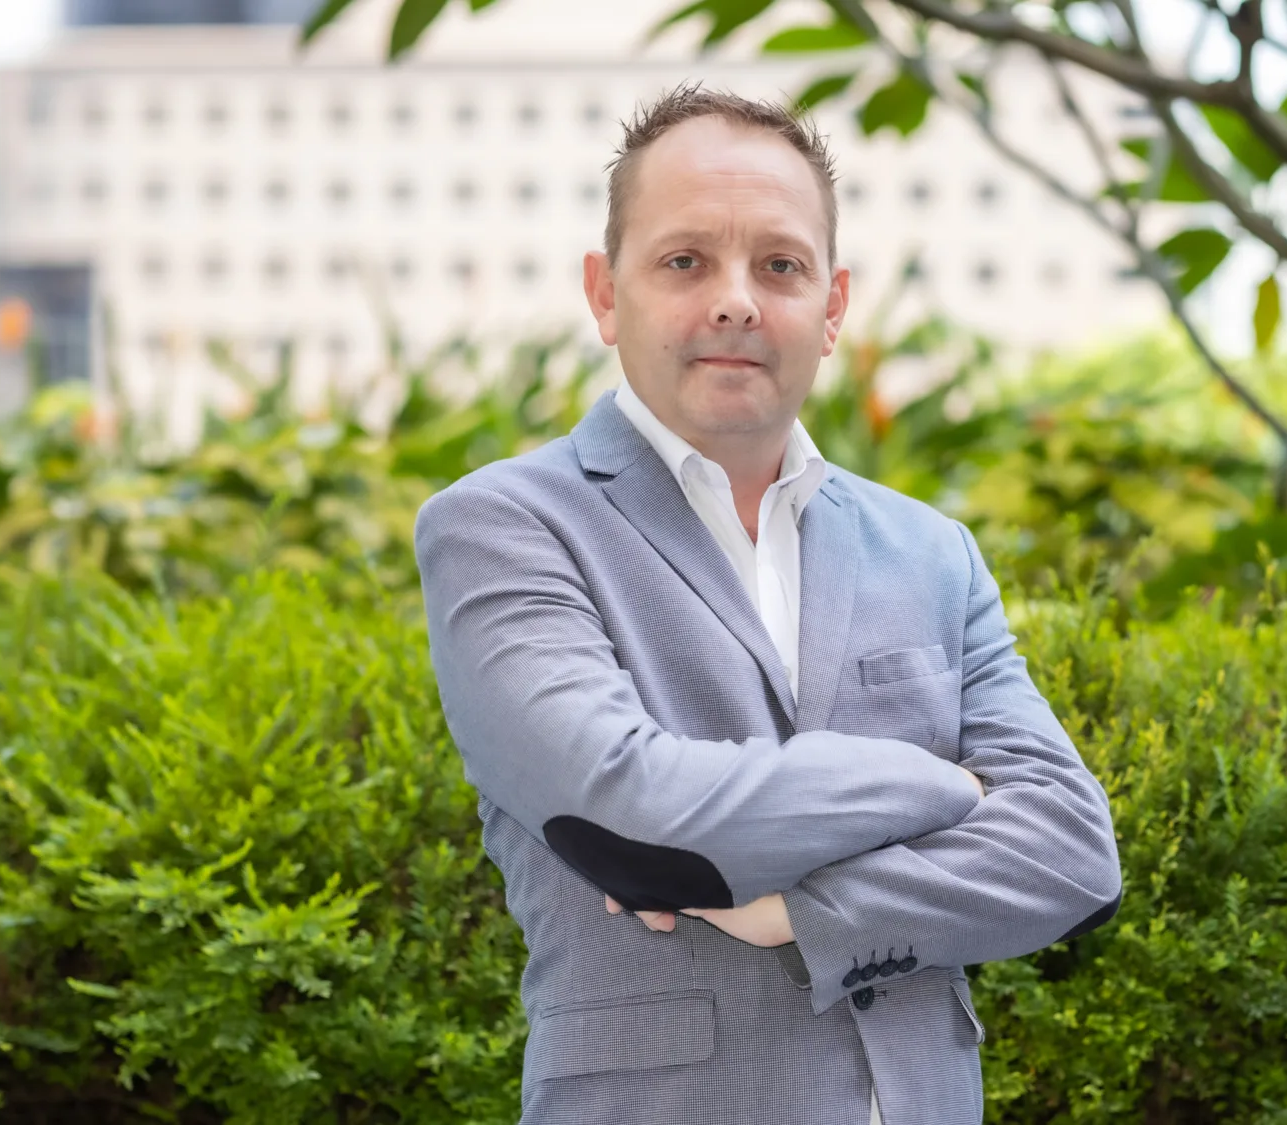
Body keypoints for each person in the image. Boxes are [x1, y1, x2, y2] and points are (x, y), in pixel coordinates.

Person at [413, 81, 1122, 1125]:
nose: (736, 299)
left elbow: (1068, 851)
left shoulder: (932, 553)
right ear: (605, 293)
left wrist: (801, 910)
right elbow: (634, 823)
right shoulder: (504, 528)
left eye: (778, 266)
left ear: (830, 308)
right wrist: (949, 788)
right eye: (684, 260)